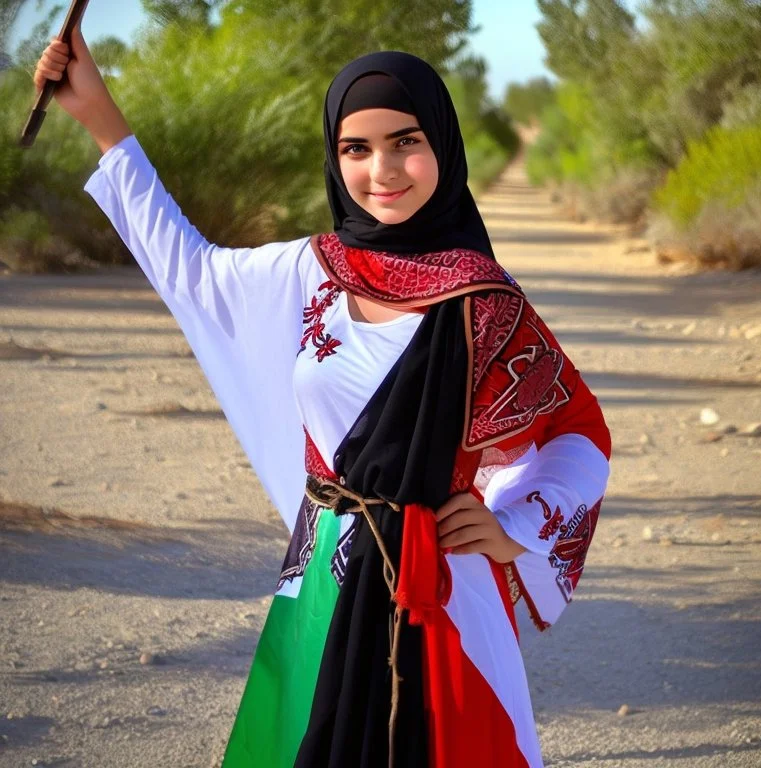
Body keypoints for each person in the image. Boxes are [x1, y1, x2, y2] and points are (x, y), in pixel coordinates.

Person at [34, 24, 611, 768]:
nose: (383, 170)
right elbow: (188, 267)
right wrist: (98, 117)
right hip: (324, 573)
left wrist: (514, 523)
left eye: (406, 142)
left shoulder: (486, 304)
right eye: (356, 149)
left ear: (443, 143)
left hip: (439, 593)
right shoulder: (310, 271)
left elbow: (577, 432)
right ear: (335, 159)